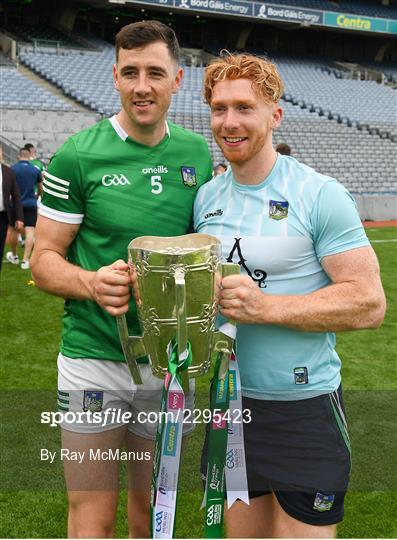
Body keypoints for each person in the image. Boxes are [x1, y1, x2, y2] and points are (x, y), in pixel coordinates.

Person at [30, 20, 212, 538]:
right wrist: (91, 283)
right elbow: (44, 258)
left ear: (177, 80)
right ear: (114, 76)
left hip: (168, 363)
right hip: (92, 360)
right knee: (92, 520)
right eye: (130, 72)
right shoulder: (77, 155)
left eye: (155, 73)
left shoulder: (196, 155)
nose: (142, 86)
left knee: (151, 520)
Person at [194, 52, 386, 538]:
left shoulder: (319, 195)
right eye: (219, 109)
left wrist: (265, 308)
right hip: (230, 405)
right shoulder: (207, 198)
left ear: (274, 115)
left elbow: (368, 302)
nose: (229, 122)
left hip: (305, 408)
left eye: (244, 108)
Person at [6, 148, 42, 270]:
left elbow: (7, 187)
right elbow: (40, 186)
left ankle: (15, 256)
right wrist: (37, 196)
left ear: (19, 156)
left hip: (15, 204)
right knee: (30, 231)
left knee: (13, 230)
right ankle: (25, 261)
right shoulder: (35, 170)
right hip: (31, 203)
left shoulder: (12, 169)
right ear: (29, 156)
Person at [0, 147, 24, 275]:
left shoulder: (8, 172)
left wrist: (19, 217)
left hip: (3, 216)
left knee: (0, 250)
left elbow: (16, 196)